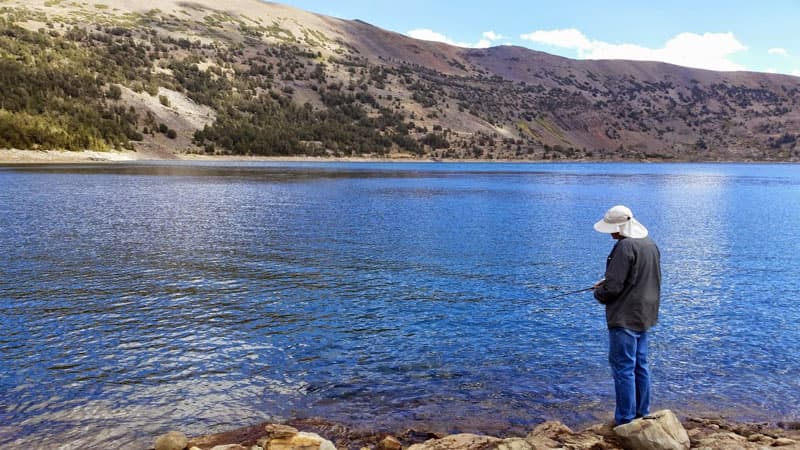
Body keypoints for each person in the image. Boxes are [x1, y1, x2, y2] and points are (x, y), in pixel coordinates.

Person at [592, 205, 661, 426]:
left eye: (612, 229)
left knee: (623, 368)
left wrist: (598, 292)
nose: (610, 233)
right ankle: (643, 412)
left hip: (624, 317)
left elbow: (612, 288)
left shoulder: (625, 247)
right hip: (645, 314)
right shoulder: (649, 244)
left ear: (621, 227)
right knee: (640, 364)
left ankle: (624, 420)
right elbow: (638, 277)